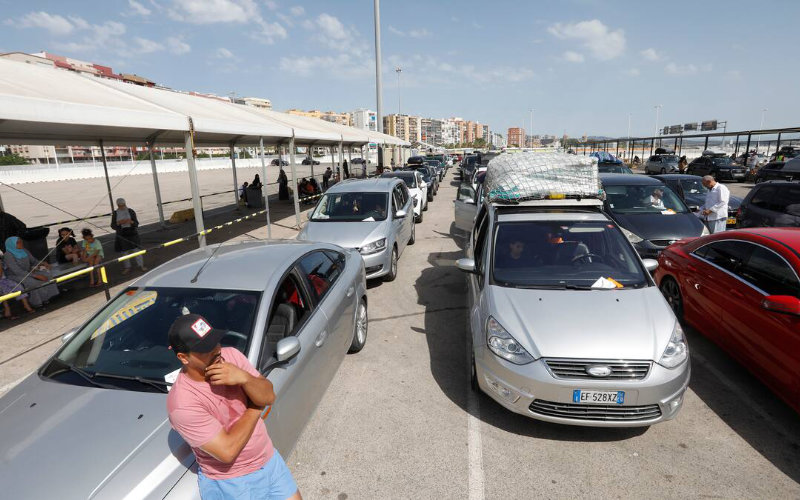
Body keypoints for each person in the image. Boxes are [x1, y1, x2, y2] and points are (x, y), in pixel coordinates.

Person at [166, 314, 301, 500]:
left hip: (269, 461)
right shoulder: (182, 403)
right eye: (205, 349)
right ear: (183, 357)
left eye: (215, 342)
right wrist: (255, 407)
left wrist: (244, 378)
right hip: (232, 484)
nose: (216, 350)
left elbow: (268, 395)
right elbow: (227, 451)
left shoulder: (231, 357)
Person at [3, 236, 59, 308]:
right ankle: (37, 302)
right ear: (12, 244)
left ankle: (50, 296)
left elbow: (34, 261)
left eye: (21, 241)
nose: (21, 243)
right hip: (15, 275)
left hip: (27, 272)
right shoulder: (8, 255)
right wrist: (35, 276)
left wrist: (42, 263)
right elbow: (17, 271)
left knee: (47, 275)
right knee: (32, 282)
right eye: (18, 242)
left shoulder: (24, 250)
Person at [111, 198, 146, 275]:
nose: (122, 207)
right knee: (125, 253)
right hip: (122, 235)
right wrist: (118, 223)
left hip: (132, 233)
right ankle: (127, 267)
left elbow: (136, 223)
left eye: (123, 205)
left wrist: (131, 221)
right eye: (120, 206)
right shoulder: (115, 213)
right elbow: (113, 226)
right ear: (117, 205)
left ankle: (141, 265)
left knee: (136, 251)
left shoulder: (131, 211)